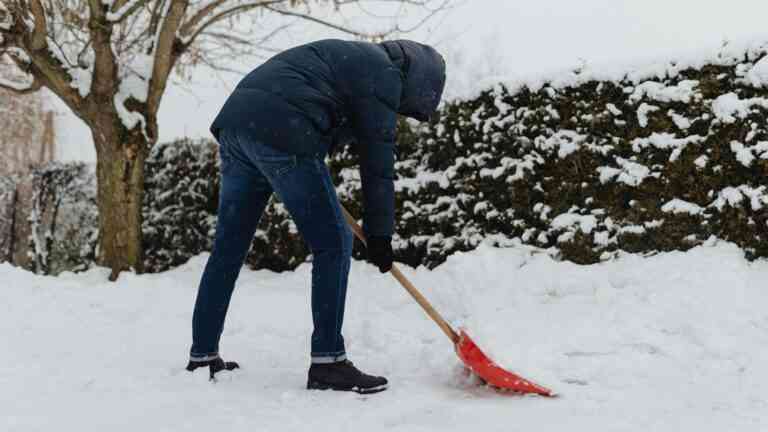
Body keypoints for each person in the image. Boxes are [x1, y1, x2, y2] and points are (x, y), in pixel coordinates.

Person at [185, 38, 446, 394]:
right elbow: (377, 164)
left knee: (228, 248)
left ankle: (202, 355)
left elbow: (324, 120)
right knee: (334, 242)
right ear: (417, 80)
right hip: (283, 128)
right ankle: (328, 362)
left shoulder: (353, 60)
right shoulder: (385, 75)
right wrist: (380, 235)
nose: (401, 113)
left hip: (237, 126)